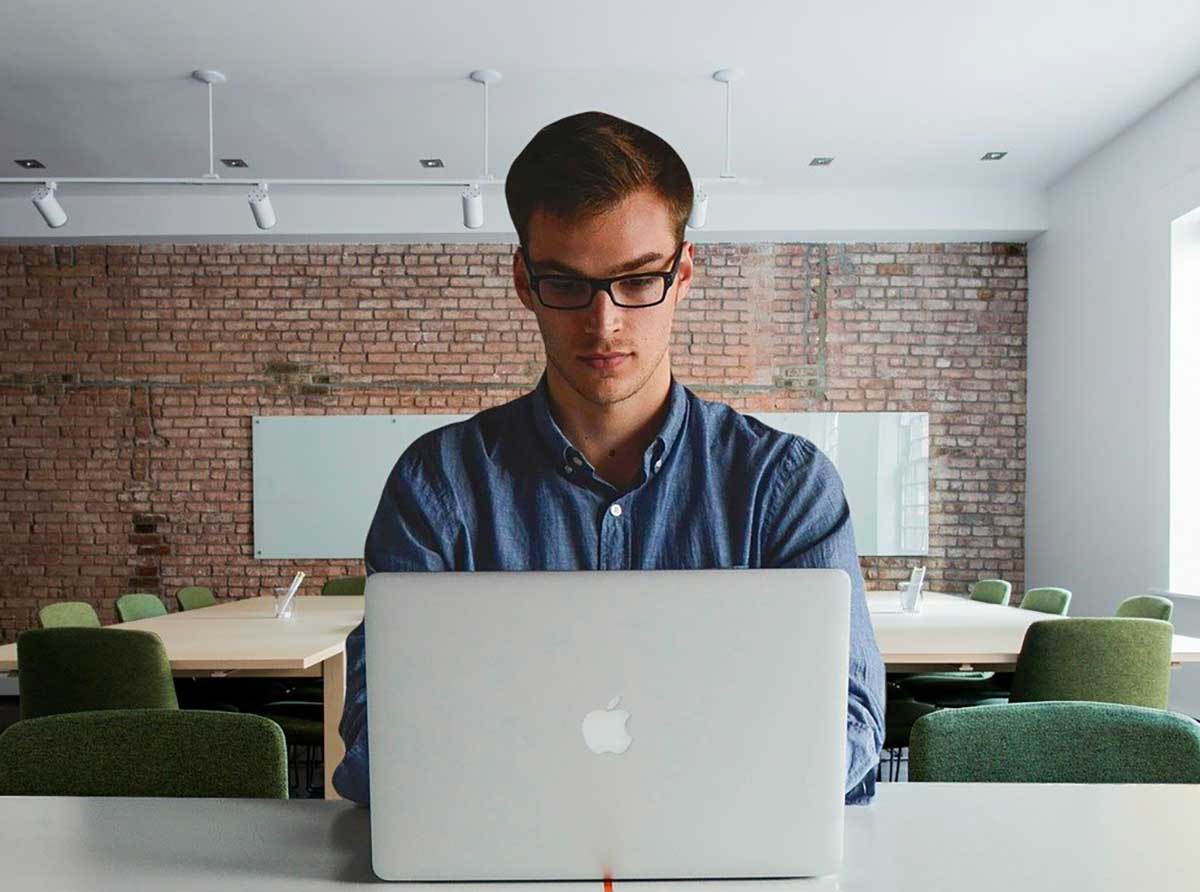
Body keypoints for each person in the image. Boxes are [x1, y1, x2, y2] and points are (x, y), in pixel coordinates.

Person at [333, 110, 885, 804]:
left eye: (638, 280)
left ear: (682, 273)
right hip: (506, 854)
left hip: (720, 850)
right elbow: (381, 741)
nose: (604, 323)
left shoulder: (785, 485)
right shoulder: (438, 485)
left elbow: (847, 726)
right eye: (567, 284)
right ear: (524, 281)